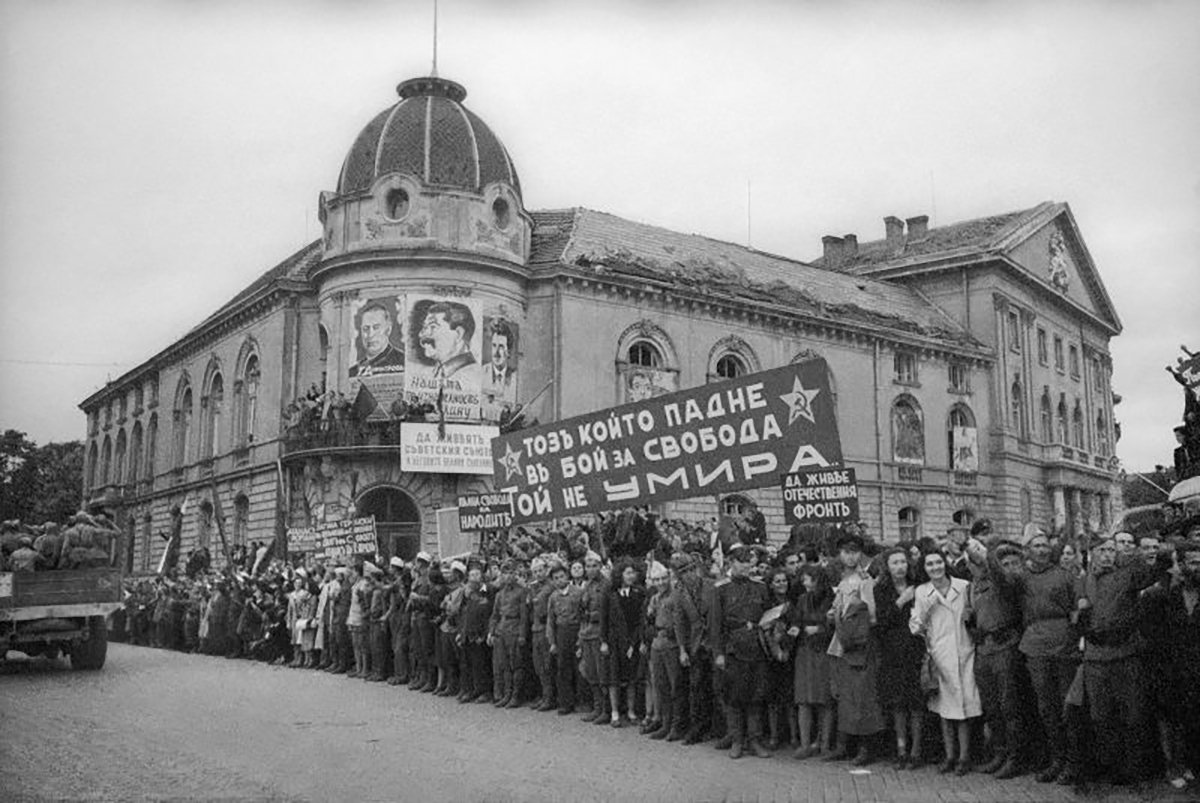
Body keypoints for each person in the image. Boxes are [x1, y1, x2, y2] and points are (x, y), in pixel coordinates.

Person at [1076, 532, 1170, 784]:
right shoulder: (1083, 580)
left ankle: (1135, 770)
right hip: (1095, 658)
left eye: (1111, 550)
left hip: (1124, 655)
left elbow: (1155, 570)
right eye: (1102, 550)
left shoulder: (1127, 575)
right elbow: (1074, 613)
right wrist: (1081, 617)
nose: (1108, 555)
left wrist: (1153, 551)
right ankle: (1111, 768)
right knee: (1100, 716)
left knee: (1132, 714)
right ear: (1092, 554)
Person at [1018, 527, 1083, 785]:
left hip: (1063, 643)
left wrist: (1072, 636)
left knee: (1067, 705)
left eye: (1045, 545)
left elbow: (1078, 607)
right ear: (1028, 550)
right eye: (1036, 546)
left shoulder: (1064, 576)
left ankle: (1073, 762)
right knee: (1046, 707)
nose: (1042, 550)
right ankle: (1056, 760)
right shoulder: (1022, 578)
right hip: (1035, 645)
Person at [910, 549, 982, 775]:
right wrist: (926, 610)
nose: (935, 568)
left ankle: (964, 757)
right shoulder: (922, 591)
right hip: (940, 656)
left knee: (964, 706)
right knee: (945, 708)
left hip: (965, 651)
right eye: (930, 564)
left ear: (945, 563)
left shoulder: (963, 586)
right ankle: (950, 756)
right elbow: (915, 627)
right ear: (924, 568)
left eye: (938, 562)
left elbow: (974, 614)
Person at [964, 539, 1026, 779]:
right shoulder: (972, 587)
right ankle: (1000, 753)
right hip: (984, 649)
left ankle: (1015, 757)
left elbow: (1000, 575)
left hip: (1004, 646)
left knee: (1009, 705)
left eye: (978, 562)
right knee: (991, 707)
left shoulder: (1002, 581)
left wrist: (986, 553)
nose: (976, 566)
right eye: (971, 563)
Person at [826, 532, 883, 765]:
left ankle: (865, 748)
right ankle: (844, 745)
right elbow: (837, 609)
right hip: (842, 644)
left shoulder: (865, 581)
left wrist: (851, 624)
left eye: (854, 552)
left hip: (860, 645)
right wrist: (833, 614)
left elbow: (871, 615)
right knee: (846, 698)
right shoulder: (842, 580)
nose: (850, 557)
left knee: (863, 698)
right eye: (845, 552)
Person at [711, 543, 772, 760]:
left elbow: (768, 613)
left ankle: (754, 740)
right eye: (742, 562)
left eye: (749, 562)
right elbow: (715, 624)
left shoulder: (760, 587)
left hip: (756, 647)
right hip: (733, 649)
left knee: (756, 696)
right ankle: (737, 740)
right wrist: (718, 653)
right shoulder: (721, 589)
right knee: (734, 698)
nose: (746, 566)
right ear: (731, 563)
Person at [873, 547, 925, 769]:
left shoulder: (918, 585)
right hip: (892, 652)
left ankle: (916, 751)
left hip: (915, 649)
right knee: (898, 703)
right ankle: (901, 749)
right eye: (894, 563)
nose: (900, 567)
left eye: (903, 562)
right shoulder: (881, 589)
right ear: (887, 566)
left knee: (916, 703)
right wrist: (901, 601)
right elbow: (882, 622)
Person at [601, 559, 646, 727]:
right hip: (614, 641)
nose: (631, 576)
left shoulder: (639, 593)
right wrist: (604, 641)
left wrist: (635, 642)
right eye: (627, 573)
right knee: (614, 678)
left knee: (631, 678)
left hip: (632, 640)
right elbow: (604, 619)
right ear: (620, 575)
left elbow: (640, 620)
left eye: (633, 572)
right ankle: (614, 712)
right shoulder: (610, 594)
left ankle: (631, 711)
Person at [488, 559, 528, 708]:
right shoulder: (499, 594)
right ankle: (507, 694)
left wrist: (522, 634)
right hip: (501, 630)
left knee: (516, 664)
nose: (508, 576)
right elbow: (495, 615)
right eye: (505, 573)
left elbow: (524, 615)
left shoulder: (521, 592)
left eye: (511, 572)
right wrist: (492, 632)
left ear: (516, 574)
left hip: (514, 629)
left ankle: (516, 696)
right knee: (504, 665)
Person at [577, 551, 611, 724]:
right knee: (590, 672)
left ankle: (606, 709)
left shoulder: (606, 585)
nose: (590, 569)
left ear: (600, 567)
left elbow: (608, 611)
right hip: (586, 633)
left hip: (599, 632)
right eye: (588, 566)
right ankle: (597, 707)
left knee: (602, 673)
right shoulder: (587, 585)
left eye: (594, 566)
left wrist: (593, 616)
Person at [546, 562, 583, 715]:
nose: (559, 580)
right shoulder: (553, 597)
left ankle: (582, 701)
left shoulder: (578, 592)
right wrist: (552, 642)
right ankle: (565, 703)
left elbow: (583, 615)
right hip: (561, 633)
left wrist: (581, 638)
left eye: (562, 576)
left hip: (576, 630)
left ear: (567, 576)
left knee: (579, 668)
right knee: (563, 668)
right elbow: (551, 620)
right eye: (556, 578)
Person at [419, 301, 478, 382]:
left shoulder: (471, 374)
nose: (421, 334)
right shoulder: (436, 372)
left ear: (459, 334)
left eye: (433, 327)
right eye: (425, 327)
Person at [460, 564, 494, 704]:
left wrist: (486, 633)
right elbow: (463, 613)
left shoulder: (486, 590)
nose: (474, 578)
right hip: (468, 632)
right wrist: (461, 632)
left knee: (482, 664)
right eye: (472, 575)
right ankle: (471, 690)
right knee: (468, 664)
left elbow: (490, 614)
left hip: (481, 633)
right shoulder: (467, 593)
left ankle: (485, 692)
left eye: (477, 574)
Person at [528, 557, 557, 711]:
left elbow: (541, 604)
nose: (538, 574)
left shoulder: (550, 586)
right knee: (538, 664)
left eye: (540, 570)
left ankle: (550, 697)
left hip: (546, 627)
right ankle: (544, 695)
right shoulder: (533, 587)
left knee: (547, 665)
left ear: (546, 570)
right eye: (535, 572)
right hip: (536, 628)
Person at [349, 301, 404, 377]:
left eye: (376, 328)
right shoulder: (352, 373)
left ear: (388, 330)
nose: (370, 335)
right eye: (366, 328)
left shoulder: (404, 363)